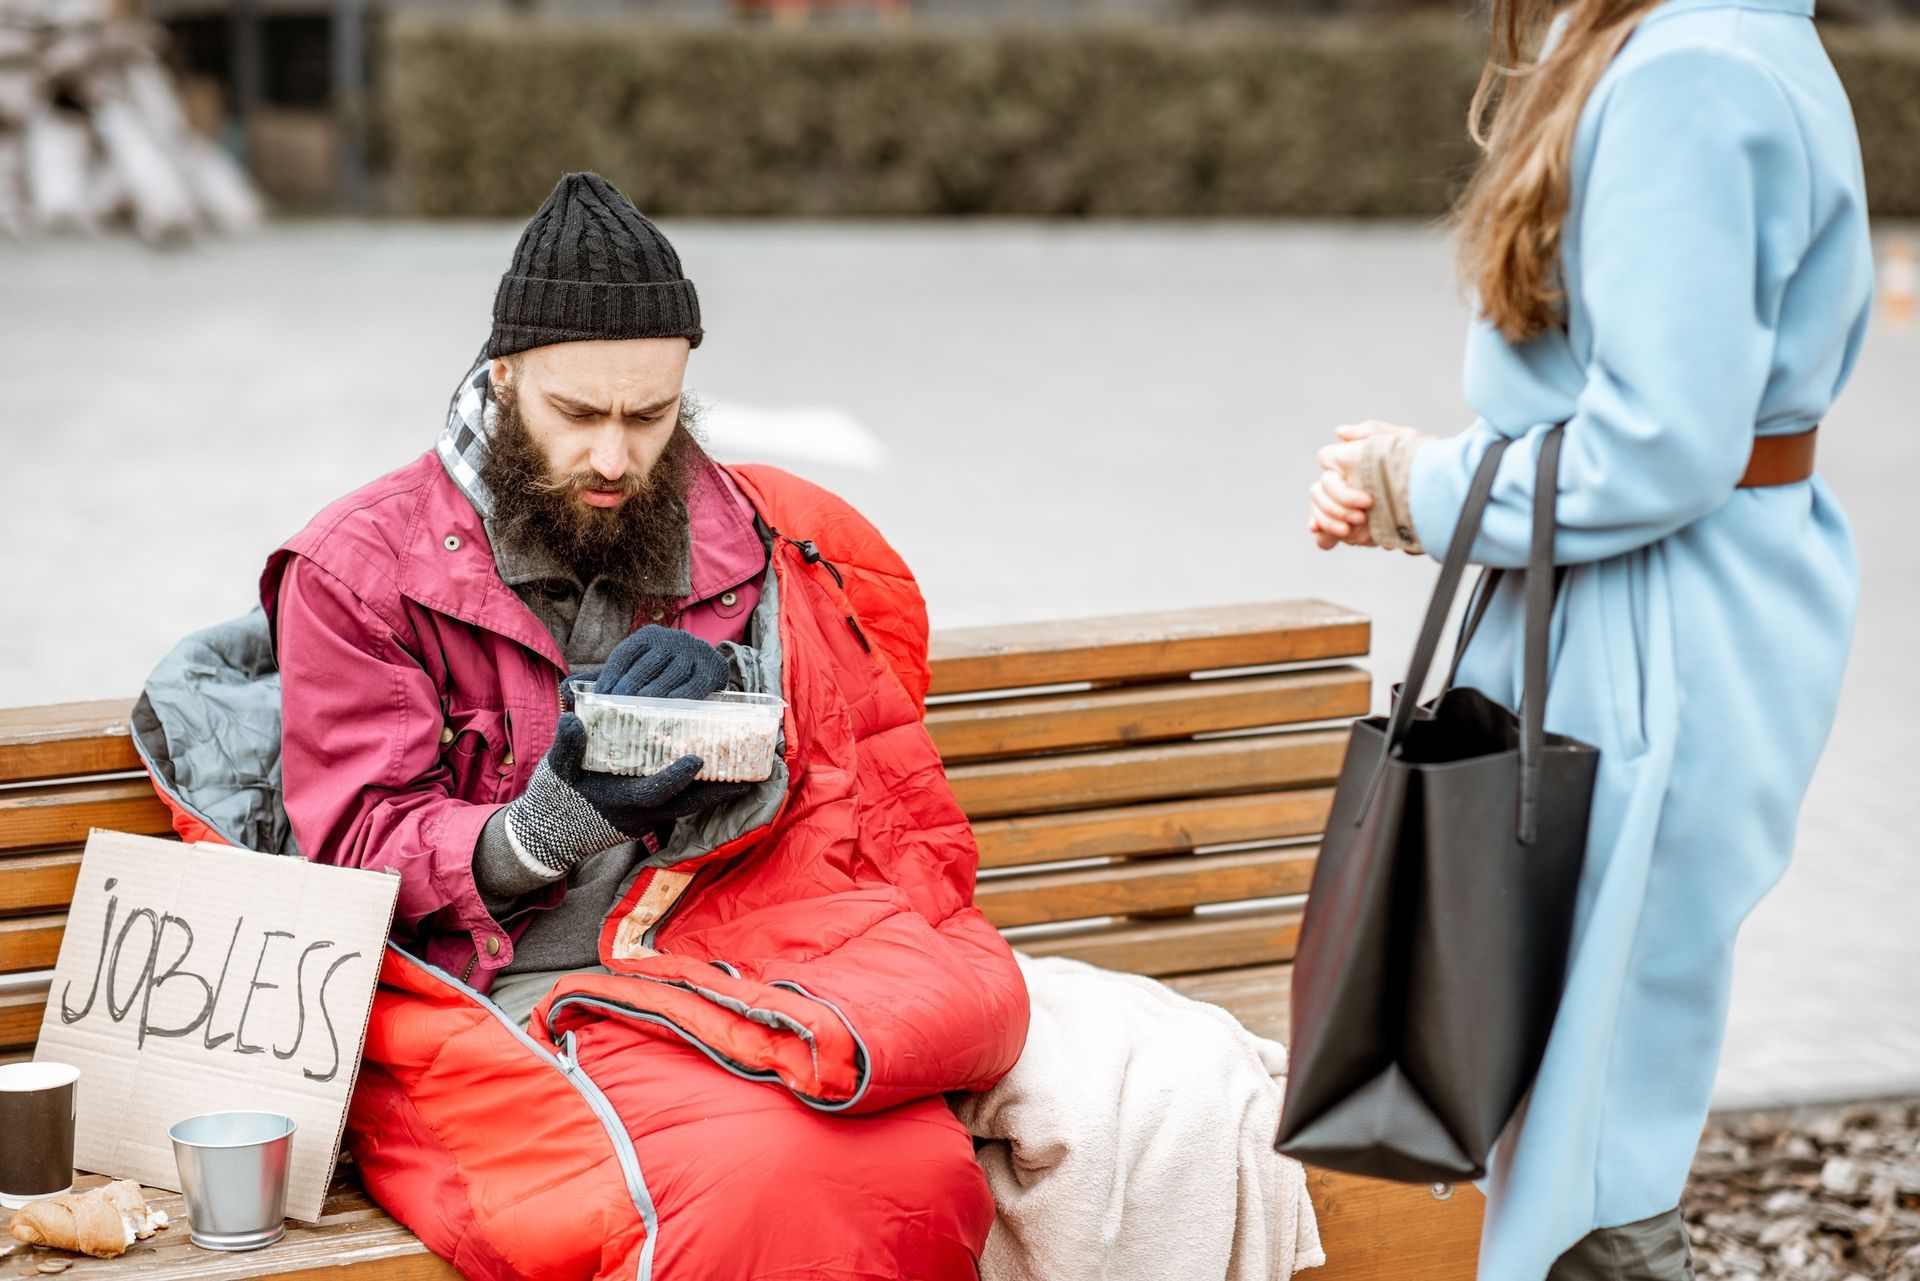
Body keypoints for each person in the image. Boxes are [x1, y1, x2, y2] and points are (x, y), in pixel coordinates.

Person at [234, 171, 1026, 1278]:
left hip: (727, 949)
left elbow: (851, 800)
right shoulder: (359, 569)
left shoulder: (738, 533)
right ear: (501, 375)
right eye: (577, 415)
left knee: (916, 1166)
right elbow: (351, 859)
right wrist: (545, 827)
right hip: (500, 988)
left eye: (649, 417)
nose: (614, 458)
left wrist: (744, 710)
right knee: (770, 1179)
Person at [1302, 0, 1871, 1276]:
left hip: (1647, 614)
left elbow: (1659, 445)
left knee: (1587, 1117)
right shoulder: (1723, 41)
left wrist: (1420, 484)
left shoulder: (1692, 65)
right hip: (1660, 599)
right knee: (1591, 1088)